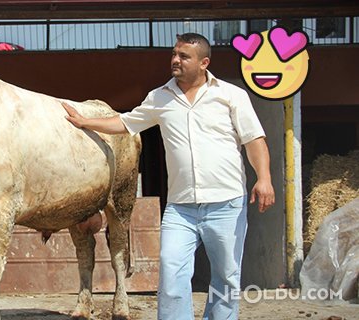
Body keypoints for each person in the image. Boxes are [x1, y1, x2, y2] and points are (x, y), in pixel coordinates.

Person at [62, 33, 275, 320]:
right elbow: (126, 122)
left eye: (184, 56)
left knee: (225, 279)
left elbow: (254, 140)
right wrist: (86, 121)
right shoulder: (160, 97)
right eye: (174, 54)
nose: (175, 60)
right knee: (172, 275)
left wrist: (264, 178)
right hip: (180, 208)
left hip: (226, 203)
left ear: (204, 63)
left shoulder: (230, 96)